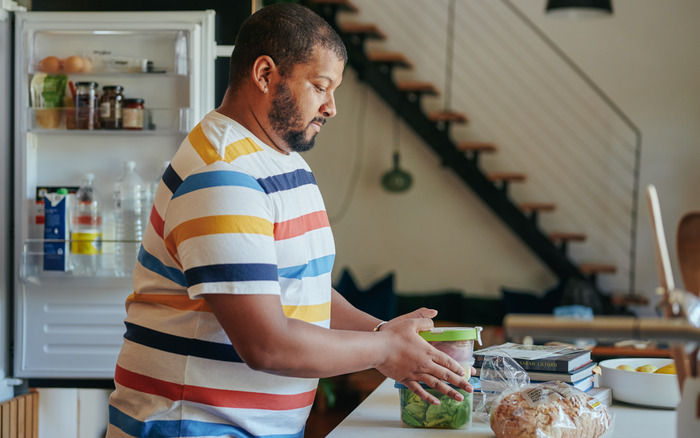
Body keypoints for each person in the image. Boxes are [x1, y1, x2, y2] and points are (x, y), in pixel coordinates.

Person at [106, 4, 472, 437]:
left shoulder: (278, 159)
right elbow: (266, 344)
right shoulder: (222, 175)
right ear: (264, 75)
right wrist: (383, 350)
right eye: (320, 87)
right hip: (194, 426)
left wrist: (381, 331)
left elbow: (300, 286)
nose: (331, 107)